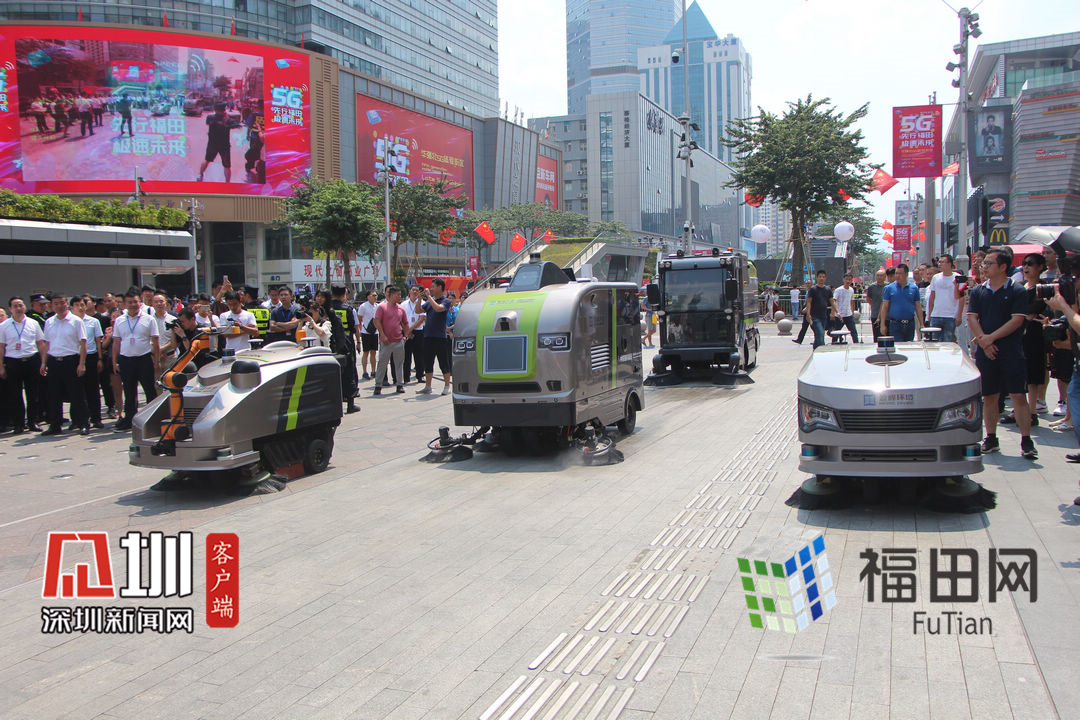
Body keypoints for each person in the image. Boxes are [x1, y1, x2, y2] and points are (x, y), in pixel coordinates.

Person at [966, 249, 1037, 460]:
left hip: (1010, 351)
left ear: (1003, 267)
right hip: (986, 352)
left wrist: (990, 338)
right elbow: (972, 318)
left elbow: (1017, 320)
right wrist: (983, 341)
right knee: (989, 396)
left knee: (1018, 395)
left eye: (989, 263)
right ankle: (991, 438)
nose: (984, 267)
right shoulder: (978, 291)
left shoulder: (1017, 290)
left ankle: (1026, 441)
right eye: (984, 263)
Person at [39, 294, 89, 436]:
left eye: (62, 303)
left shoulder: (76, 321)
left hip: (71, 361)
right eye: (56, 303)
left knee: (77, 395)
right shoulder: (49, 322)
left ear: (67, 304)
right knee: (54, 395)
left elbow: (83, 343)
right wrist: (44, 362)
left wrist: (82, 364)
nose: (59, 306)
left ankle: (83, 423)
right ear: (52, 305)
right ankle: (55, 425)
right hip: (54, 361)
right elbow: (46, 343)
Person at [112, 291, 160, 432]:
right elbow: (116, 342)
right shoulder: (120, 320)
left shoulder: (149, 319)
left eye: (135, 302)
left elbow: (155, 341)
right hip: (126, 360)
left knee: (150, 390)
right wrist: (114, 361)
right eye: (130, 302)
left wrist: (156, 361)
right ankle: (129, 420)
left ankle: (153, 420)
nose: (133, 305)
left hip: (144, 359)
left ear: (140, 302)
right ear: (125, 304)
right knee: (129, 391)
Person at [0, 296, 44, 433]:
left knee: (33, 394)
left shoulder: (33, 323)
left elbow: (40, 343)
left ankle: (32, 422)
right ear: (10, 309)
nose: (19, 308)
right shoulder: (4, 326)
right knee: (15, 395)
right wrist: (1, 366)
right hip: (13, 362)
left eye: (21, 305)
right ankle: (19, 424)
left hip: (31, 360)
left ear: (25, 306)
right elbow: (1, 347)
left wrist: (44, 362)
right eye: (15, 306)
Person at [71, 297, 104, 430]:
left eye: (82, 305)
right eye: (77, 305)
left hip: (91, 356)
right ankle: (77, 420)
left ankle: (96, 418)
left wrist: (100, 358)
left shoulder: (93, 321)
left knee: (93, 389)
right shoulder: (70, 321)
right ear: (72, 307)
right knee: (76, 390)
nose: (80, 307)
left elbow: (98, 341)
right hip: (75, 357)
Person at [417, 279, 453, 395]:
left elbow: (438, 308)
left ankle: (447, 386)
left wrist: (428, 297)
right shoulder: (430, 302)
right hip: (428, 336)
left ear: (440, 287)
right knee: (428, 362)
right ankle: (428, 386)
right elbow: (418, 310)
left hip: (440, 337)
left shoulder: (446, 301)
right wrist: (419, 299)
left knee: (443, 363)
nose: (431, 289)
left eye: (433, 286)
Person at [373, 286, 409, 396]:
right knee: (382, 363)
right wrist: (383, 335)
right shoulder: (382, 307)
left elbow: (405, 323)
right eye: (398, 295)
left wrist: (405, 336)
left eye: (400, 295)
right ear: (391, 295)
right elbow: (376, 321)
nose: (399, 297)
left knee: (399, 363)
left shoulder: (401, 309)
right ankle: (378, 385)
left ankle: (399, 384)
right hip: (386, 341)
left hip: (398, 340)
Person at [330, 285, 361, 409]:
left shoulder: (327, 308)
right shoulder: (348, 309)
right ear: (344, 294)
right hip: (346, 342)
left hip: (332, 342)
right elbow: (353, 328)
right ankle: (350, 403)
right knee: (349, 371)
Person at [879, 264, 923, 342]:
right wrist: (882, 324)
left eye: (900, 273)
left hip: (910, 324)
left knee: (909, 346)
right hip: (895, 324)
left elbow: (918, 307)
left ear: (906, 274)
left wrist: (922, 324)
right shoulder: (889, 288)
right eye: (896, 273)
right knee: (897, 345)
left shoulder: (914, 288)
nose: (897, 276)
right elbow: (885, 307)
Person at [927, 254, 964, 342]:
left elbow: (961, 298)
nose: (940, 264)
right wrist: (929, 314)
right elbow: (932, 296)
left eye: (942, 262)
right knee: (934, 342)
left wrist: (959, 316)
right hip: (936, 315)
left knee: (948, 343)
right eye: (939, 262)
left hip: (950, 316)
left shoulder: (957, 278)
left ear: (949, 264)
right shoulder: (936, 277)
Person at [197, 103, 234, 182]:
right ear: (224, 110)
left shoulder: (210, 117)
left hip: (212, 144)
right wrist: (226, 117)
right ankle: (227, 182)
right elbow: (236, 125)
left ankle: (200, 175)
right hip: (224, 146)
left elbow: (207, 123)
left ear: (215, 109)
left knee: (207, 160)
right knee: (227, 166)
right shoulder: (227, 120)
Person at [401, 285, 427, 384]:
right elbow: (401, 319)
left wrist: (410, 329)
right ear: (409, 291)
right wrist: (406, 330)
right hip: (406, 331)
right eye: (413, 290)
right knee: (406, 355)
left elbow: (422, 318)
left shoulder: (422, 303)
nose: (415, 292)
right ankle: (406, 377)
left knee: (419, 355)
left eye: (417, 290)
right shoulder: (403, 304)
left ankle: (420, 376)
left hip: (418, 331)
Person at [805, 270, 837, 349]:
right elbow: (809, 302)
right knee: (820, 333)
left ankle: (815, 350)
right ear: (817, 278)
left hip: (824, 316)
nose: (821, 278)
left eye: (823, 277)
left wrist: (837, 312)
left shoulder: (828, 289)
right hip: (814, 316)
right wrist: (808, 314)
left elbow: (832, 301)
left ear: (825, 278)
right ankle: (823, 350)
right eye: (820, 277)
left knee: (819, 334)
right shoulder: (813, 289)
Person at [357, 290, 380, 380]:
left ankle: (373, 371)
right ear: (368, 296)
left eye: (376, 295)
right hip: (365, 332)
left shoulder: (377, 306)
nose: (375, 297)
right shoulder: (363, 306)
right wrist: (361, 330)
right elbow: (359, 319)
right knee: (366, 352)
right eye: (373, 295)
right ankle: (364, 371)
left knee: (373, 352)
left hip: (375, 332)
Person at [833, 274, 859, 343]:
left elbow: (852, 301)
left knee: (853, 332)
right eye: (846, 279)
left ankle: (856, 344)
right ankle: (834, 343)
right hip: (839, 315)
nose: (848, 281)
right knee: (836, 332)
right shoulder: (838, 290)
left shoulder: (851, 290)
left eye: (849, 279)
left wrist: (852, 312)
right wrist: (835, 312)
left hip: (848, 315)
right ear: (843, 279)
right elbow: (834, 301)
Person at [866, 270, 886, 342]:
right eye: (878, 275)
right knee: (877, 337)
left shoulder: (888, 286)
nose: (879, 277)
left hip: (886, 315)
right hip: (875, 314)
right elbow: (868, 299)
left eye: (881, 275)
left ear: (885, 277)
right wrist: (873, 305)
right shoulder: (872, 287)